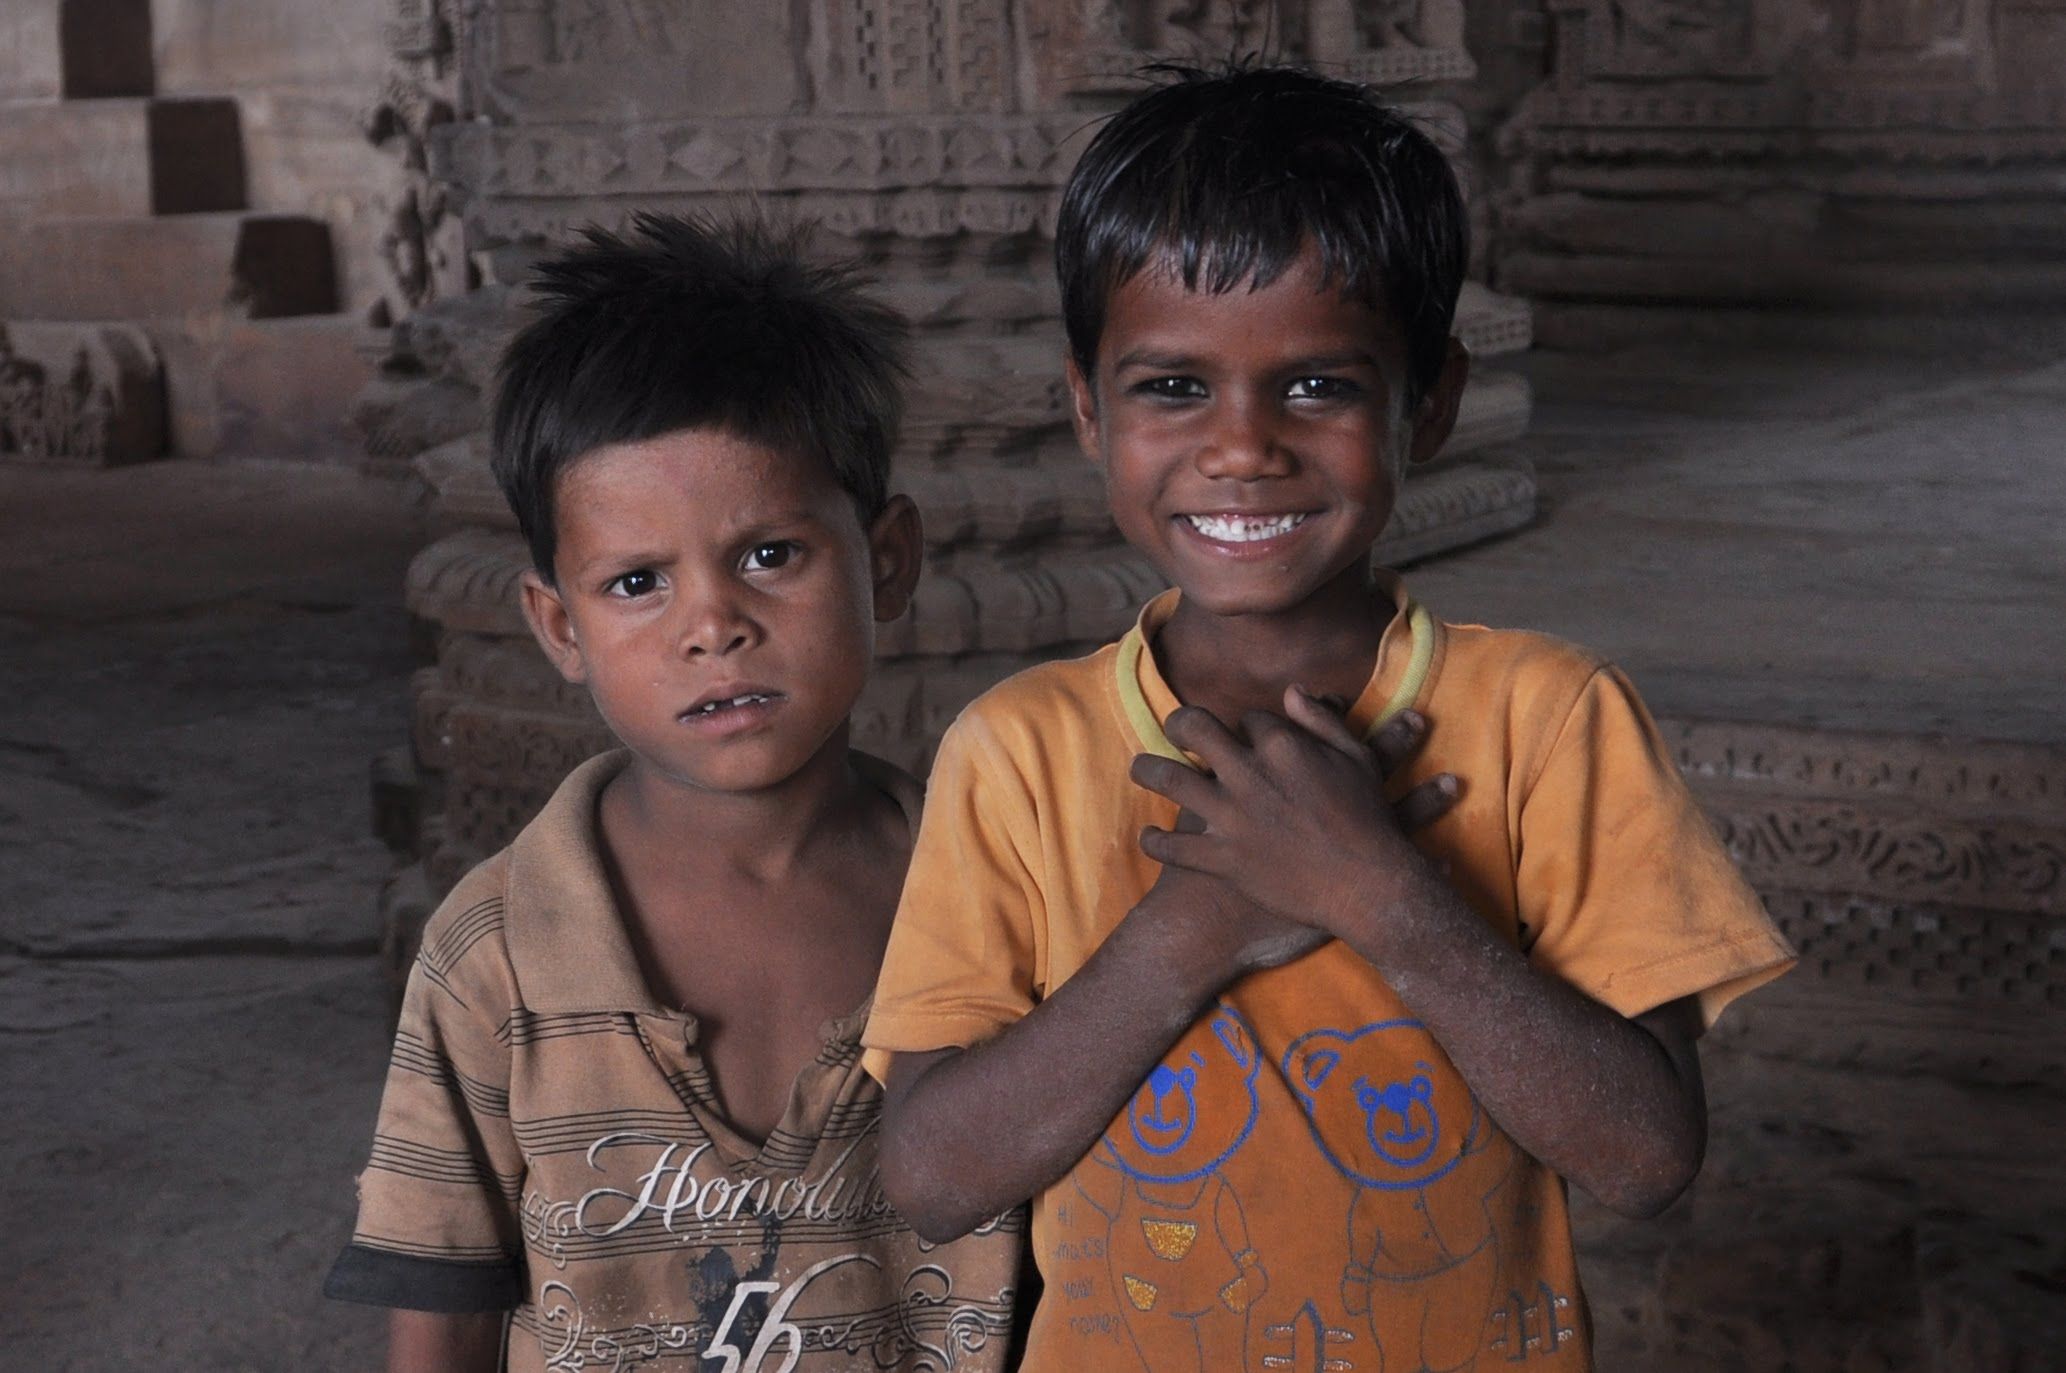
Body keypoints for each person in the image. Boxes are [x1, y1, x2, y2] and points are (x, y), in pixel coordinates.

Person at [862, 65, 1795, 1372]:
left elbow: (1642, 1155)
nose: (1243, 446)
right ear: (1084, 408)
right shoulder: (1014, 750)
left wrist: (1385, 896)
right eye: (1173, 388)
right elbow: (934, 1176)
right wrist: (1195, 929)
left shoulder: (1548, 718)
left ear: (1428, 401)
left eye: (1316, 387)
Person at [325, 214, 1024, 1373]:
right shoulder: (493, 952)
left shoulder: (991, 894)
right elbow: (441, 1309)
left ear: (886, 560)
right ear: (559, 625)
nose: (713, 626)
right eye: (637, 581)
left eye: (769, 555)